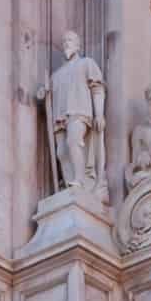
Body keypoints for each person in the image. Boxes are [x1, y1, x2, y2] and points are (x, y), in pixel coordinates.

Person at [39, 31, 107, 193]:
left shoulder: (86, 63)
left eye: (69, 40)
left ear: (78, 45)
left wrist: (99, 114)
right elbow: (48, 98)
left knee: (73, 141)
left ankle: (80, 180)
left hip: (80, 111)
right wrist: (43, 93)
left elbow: (97, 88)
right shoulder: (56, 75)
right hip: (60, 117)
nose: (66, 43)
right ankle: (70, 186)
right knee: (61, 152)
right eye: (64, 41)